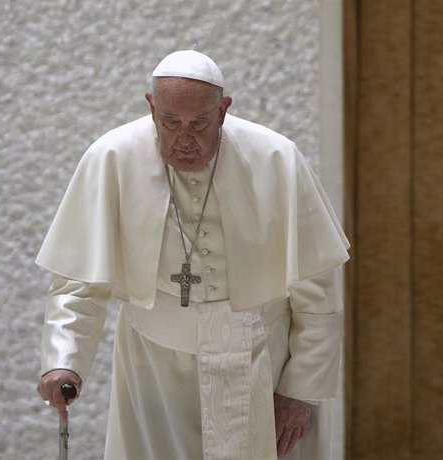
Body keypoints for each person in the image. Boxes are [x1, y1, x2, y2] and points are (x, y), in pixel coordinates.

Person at [36, 50, 349, 459]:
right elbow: (78, 281)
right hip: (154, 372)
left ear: (222, 111)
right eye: (170, 123)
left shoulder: (277, 159)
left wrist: (301, 391)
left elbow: (317, 289)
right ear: (151, 108)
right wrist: (64, 360)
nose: (185, 139)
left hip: (262, 363)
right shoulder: (111, 158)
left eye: (199, 123)